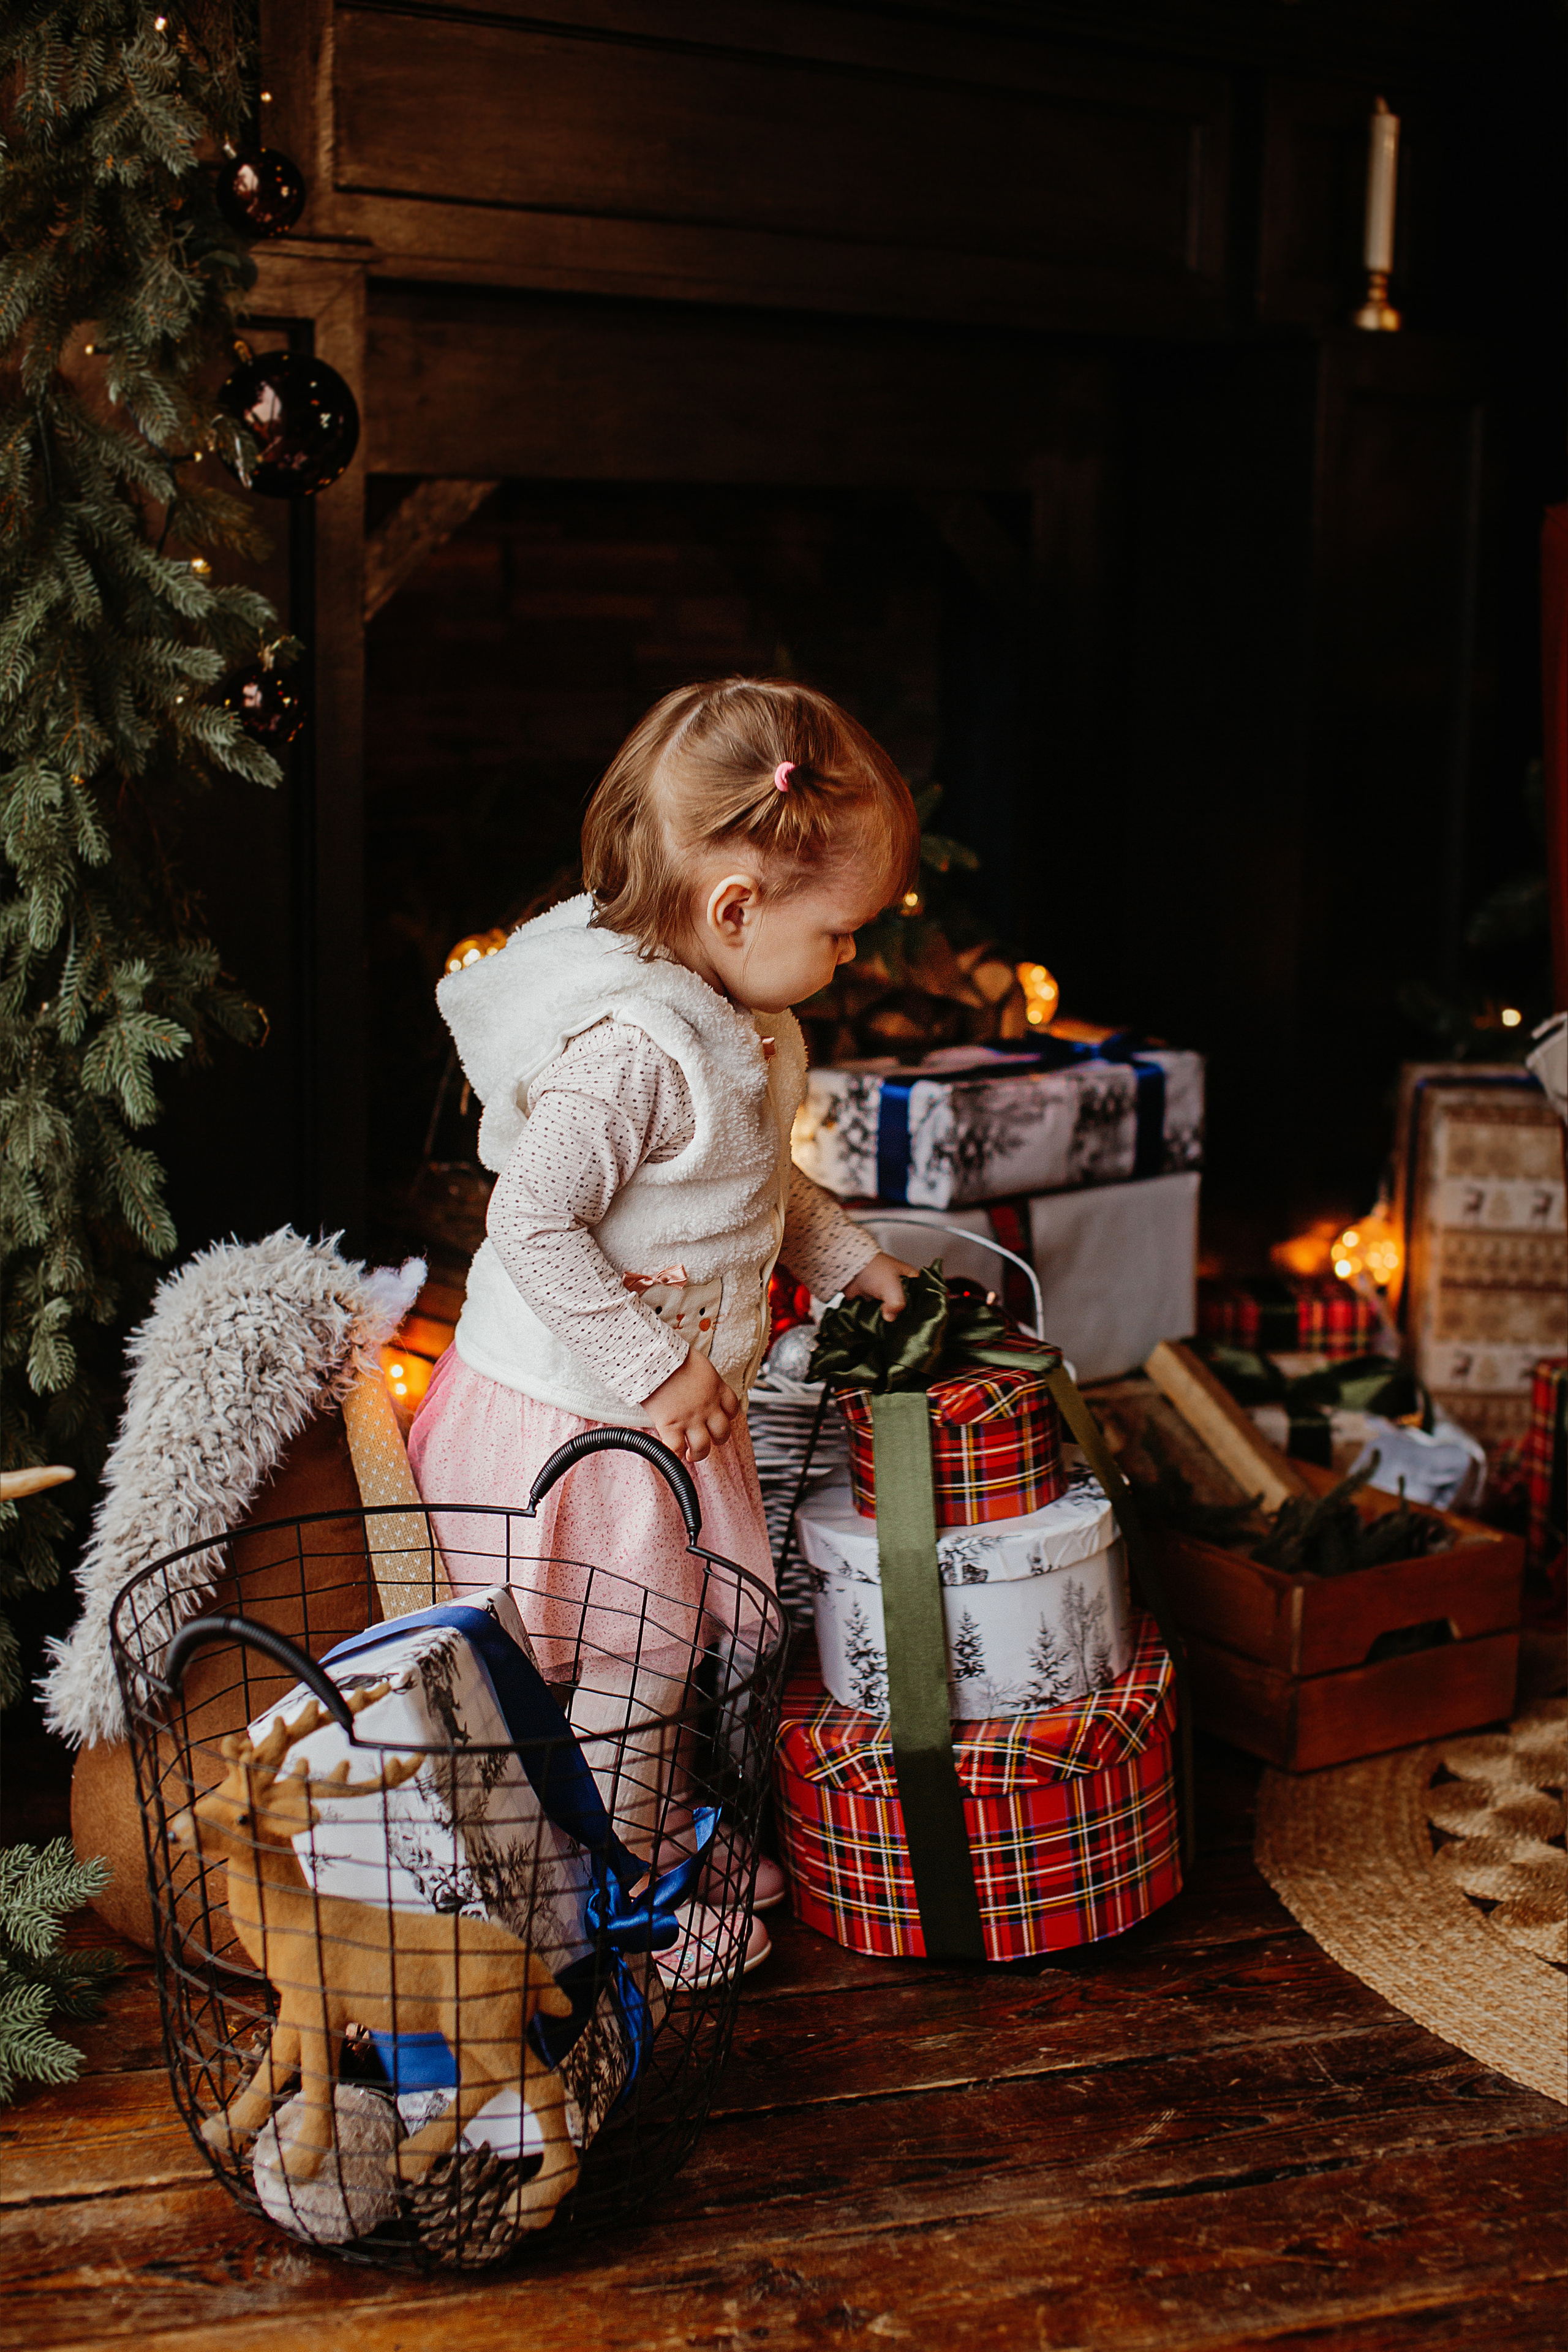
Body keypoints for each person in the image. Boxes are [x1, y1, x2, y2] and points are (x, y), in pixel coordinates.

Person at [409, 676, 921, 1981]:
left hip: (663, 1413)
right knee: (628, 1677)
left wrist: (845, 1253)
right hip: (578, 1424)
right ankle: (623, 1909)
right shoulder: (632, 1050)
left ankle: (638, 1839)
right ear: (735, 908)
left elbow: (748, 1182)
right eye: (842, 930)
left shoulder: (741, 1017)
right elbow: (531, 1224)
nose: (849, 956)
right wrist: (655, 1366)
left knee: (663, 1659)